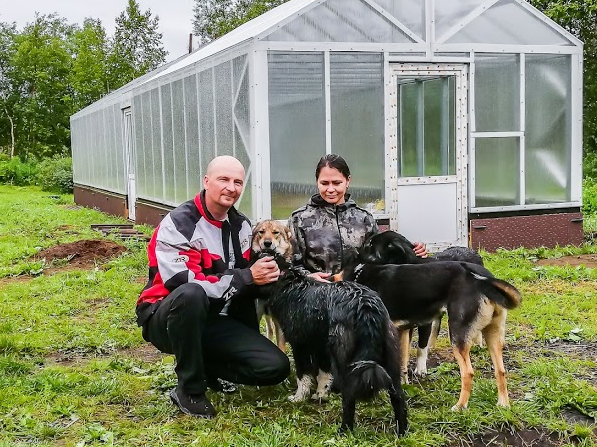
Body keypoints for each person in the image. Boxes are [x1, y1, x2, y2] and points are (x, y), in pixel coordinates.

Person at [136, 155, 289, 418]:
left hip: (215, 318)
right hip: (167, 317)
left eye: (238, 182)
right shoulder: (178, 223)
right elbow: (180, 284)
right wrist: (246, 277)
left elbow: (252, 279)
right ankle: (190, 388)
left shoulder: (242, 225)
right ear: (206, 181)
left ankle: (206, 365)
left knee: (276, 367)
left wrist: (299, 278)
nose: (232, 187)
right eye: (224, 179)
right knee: (192, 294)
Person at [289, 154, 427, 273]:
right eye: (325, 183)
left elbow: (382, 259)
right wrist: (308, 277)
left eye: (337, 183)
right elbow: (290, 264)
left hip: (360, 295)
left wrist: (412, 252)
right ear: (317, 182)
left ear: (348, 181)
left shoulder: (364, 219)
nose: (330, 189)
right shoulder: (299, 220)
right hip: (317, 295)